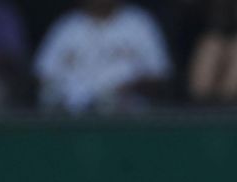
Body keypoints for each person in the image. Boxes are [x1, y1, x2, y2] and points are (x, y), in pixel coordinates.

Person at [33, 0, 172, 113]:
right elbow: (41, 74)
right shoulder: (67, 26)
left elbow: (161, 76)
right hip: (72, 119)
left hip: (128, 120)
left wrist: (130, 88)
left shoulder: (139, 22)